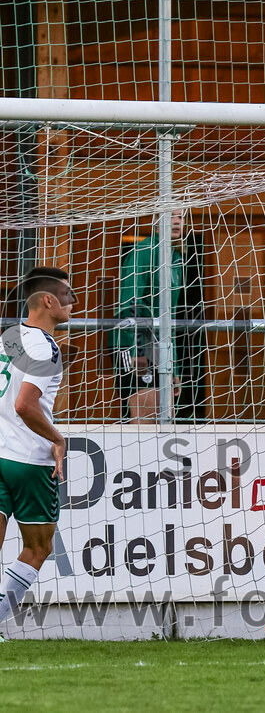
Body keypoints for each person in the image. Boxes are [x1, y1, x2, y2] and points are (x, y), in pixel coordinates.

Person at [0, 267, 77, 636]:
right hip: (29, 460)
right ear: (48, 300)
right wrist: (57, 439)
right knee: (39, 547)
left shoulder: (9, 337)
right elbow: (25, 405)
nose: (73, 302)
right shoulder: (46, 348)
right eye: (67, 295)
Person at [109, 208, 187, 422]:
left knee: (165, 417)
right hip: (137, 342)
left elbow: (168, 318)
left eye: (180, 217)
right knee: (146, 419)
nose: (177, 221)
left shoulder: (176, 259)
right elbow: (129, 302)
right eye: (171, 216)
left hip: (160, 345)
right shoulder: (144, 251)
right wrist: (138, 350)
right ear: (156, 221)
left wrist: (173, 367)